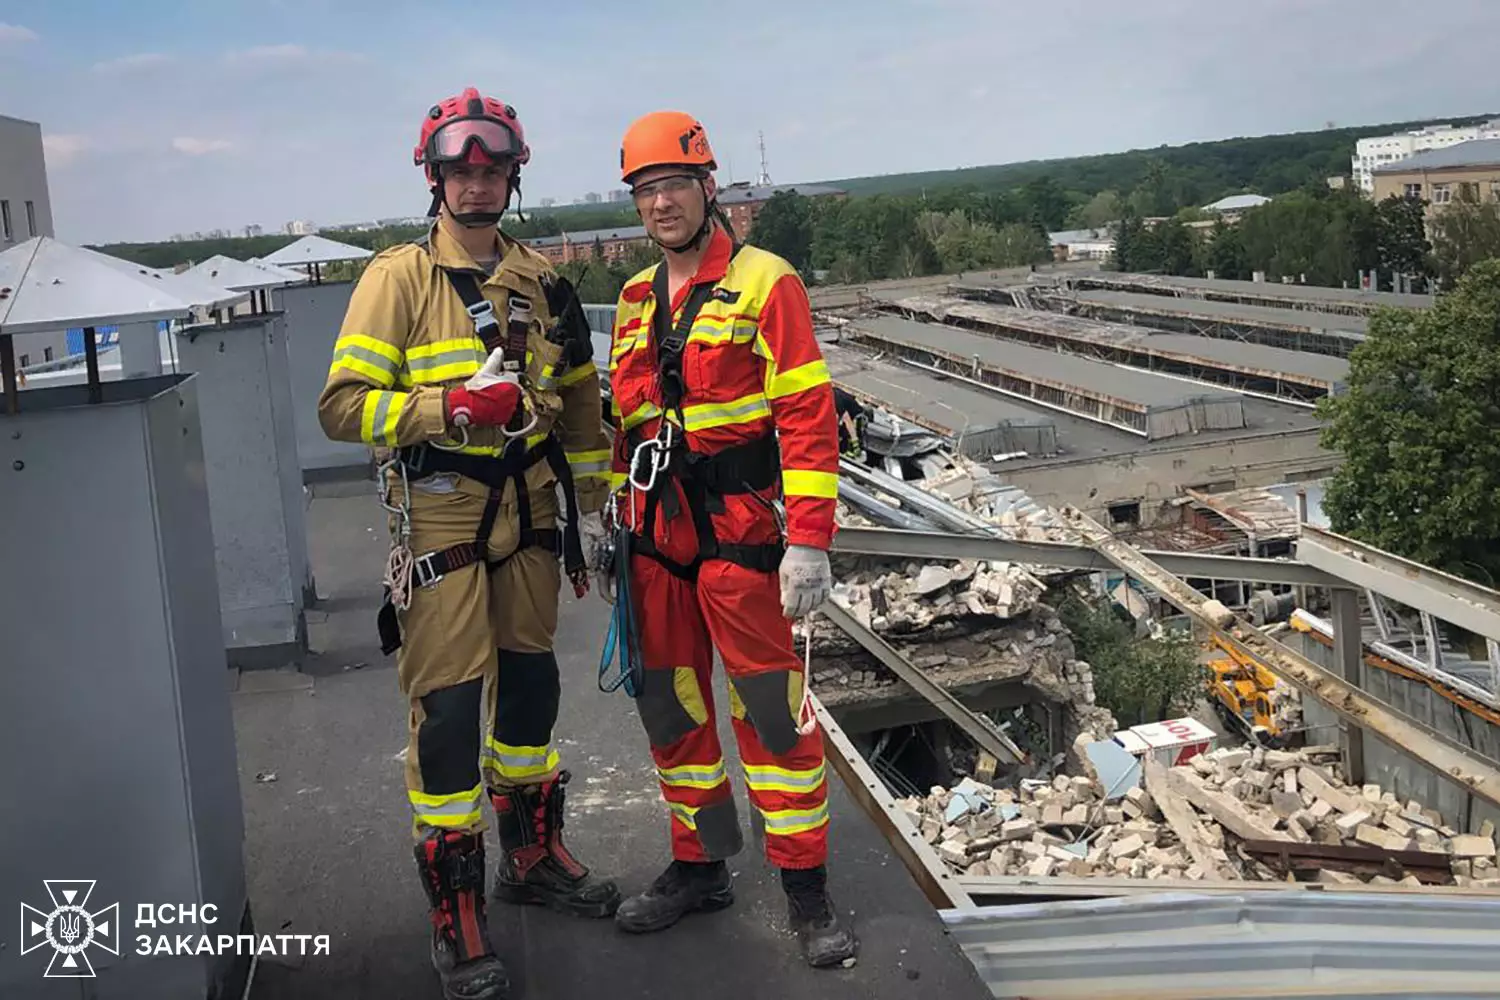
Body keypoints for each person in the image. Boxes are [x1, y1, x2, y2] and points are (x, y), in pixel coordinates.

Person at [318, 87, 619, 1000]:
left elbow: (579, 401)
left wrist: (594, 510)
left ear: (513, 177)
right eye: (462, 170)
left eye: (493, 170)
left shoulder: (543, 282)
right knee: (448, 714)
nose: (478, 184)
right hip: (443, 513)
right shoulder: (399, 279)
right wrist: (448, 405)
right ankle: (455, 913)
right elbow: (342, 408)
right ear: (436, 178)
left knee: (531, 687)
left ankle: (530, 858)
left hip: (531, 511)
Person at [601, 109, 858, 968]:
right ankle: (700, 863)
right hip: (656, 538)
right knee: (673, 710)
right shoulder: (635, 300)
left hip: (741, 535)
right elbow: (628, 424)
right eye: (645, 191)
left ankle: (806, 889)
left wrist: (809, 541)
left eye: (674, 185)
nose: (660, 203)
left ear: (708, 187)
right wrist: (614, 519)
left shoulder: (764, 282)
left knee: (772, 718)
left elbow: (806, 416)